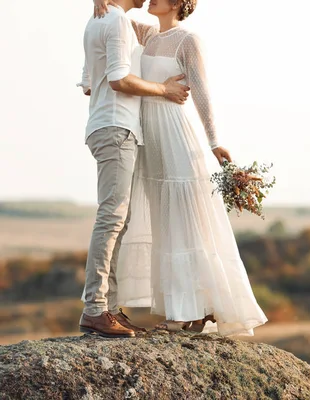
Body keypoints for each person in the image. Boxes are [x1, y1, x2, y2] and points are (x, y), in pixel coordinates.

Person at [94, 0, 268, 336]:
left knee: (184, 223)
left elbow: (202, 92)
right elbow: (111, 15)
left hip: (175, 135)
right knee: (164, 224)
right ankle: (190, 310)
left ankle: (188, 312)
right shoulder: (144, 34)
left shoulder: (189, 40)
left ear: (177, 3)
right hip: (149, 139)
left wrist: (215, 142)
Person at [78, 0, 190, 338]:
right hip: (116, 129)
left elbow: (88, 84)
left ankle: (108, 308)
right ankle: (96, 309)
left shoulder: (99, 20)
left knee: (118, 219)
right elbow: (118, 80)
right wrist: (164, 90)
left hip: (109, 126)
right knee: (112, 217)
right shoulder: (114, 22)